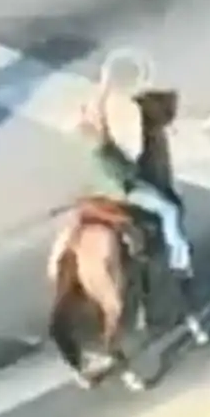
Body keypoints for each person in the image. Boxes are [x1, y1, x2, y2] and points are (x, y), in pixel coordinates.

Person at [76, 88, 195, 295]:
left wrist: (101, 96)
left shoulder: (93, 147)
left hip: (98, 191)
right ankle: (180, 259)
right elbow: (127, 173)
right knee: (170, 210)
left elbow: (99, 119)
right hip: (125, 193)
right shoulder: (105, 150)